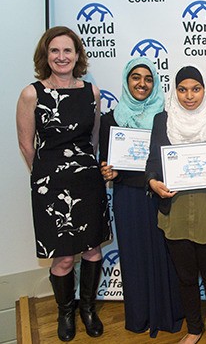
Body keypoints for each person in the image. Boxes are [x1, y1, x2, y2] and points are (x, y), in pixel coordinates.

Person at [16, 26, 111, 341]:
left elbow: (93, 139)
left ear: (77, 55)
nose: (61, 57)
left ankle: (88, 309)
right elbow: (27, 145)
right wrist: (46, 175)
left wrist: (83, 168)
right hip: (50, 185)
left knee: (93, 250)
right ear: (46, 55)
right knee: (64, 256)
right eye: (54, 51)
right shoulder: (32, 93)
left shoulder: (91, 93)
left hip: (87, 182)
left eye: (67, 50)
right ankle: (66, 313)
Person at [145, 65, 206, 344]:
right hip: (175, 209)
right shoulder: (162, 120)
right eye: (183, 89)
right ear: (174, 91)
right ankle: (194, 329)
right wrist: (153, 182)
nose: (189, 96)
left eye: (196, 89)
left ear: (204, 90)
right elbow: (152, 162)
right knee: (185, 277)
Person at [98, 57, 184, 337]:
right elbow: (106, 160)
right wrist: (108, 171)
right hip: (129, 197)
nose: (142, 84)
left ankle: (168, 315)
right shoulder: (111, 119)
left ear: (156, 83)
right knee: (134, 257)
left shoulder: (166, 116)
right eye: (136, 77)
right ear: (126, 80)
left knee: (165, 254)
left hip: (161, 194)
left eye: (148, 79)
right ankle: (139, 316)